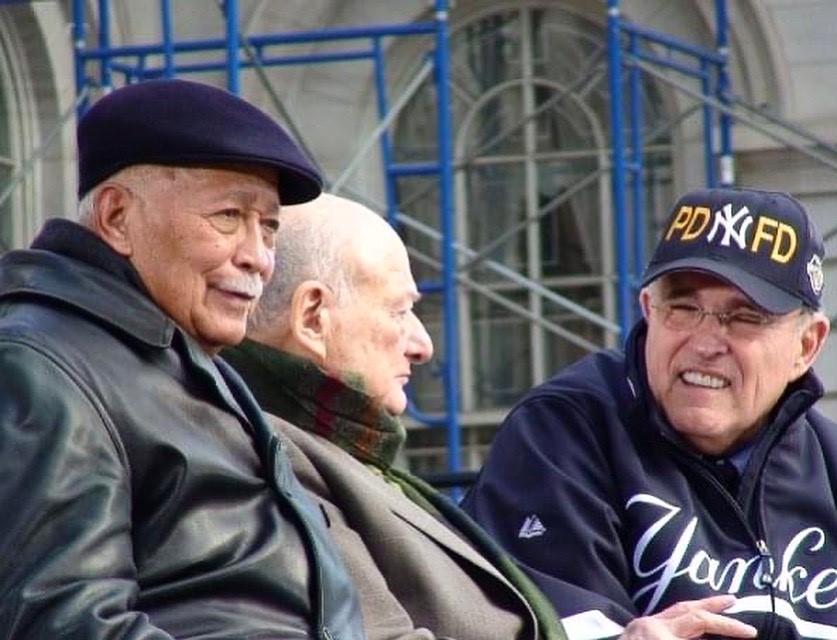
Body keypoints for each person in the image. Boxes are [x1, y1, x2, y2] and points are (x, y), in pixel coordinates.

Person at [0, 79, 365, 639]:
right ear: (117, 217)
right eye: (228, 217)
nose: (259, 259)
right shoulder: (42, 364)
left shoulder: (177, 352)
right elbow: (66, 623)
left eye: (268, 227)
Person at [462, 187, 835, 640]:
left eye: (744, 317)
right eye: (682, 308)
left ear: (806, 346)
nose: (704, 343)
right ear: (647, 311)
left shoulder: (828, 463)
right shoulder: (560, 435)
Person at [222, 193, 567, 640]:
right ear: (313, 318)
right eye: (399, 311)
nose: (422, 345)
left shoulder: (328, 448)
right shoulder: (272, 463)